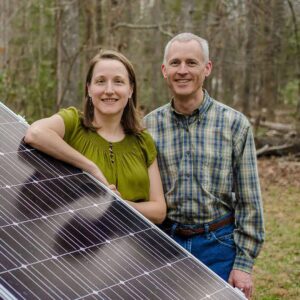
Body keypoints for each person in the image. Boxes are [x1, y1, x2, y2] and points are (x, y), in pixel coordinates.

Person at [144, 33, 265, 299]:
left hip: (219, 245)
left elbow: (250, 201)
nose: (183, 71)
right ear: (165, 70)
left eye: (192, 62)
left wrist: (243, 264)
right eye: (175, 63)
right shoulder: (148, 127)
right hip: (166, 243)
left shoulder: (235, 124)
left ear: (207, 68)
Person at [24, 49, 166, 225]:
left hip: (131, 246)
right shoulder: (73, 123)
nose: (109, 90)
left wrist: (119, 205)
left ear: (130, 90)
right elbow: (35, 133)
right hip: (77, 238)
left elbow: (159, 211)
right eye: (100, 81)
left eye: (118, 82)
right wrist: (91, 168)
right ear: (89, 89)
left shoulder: (142, 140)